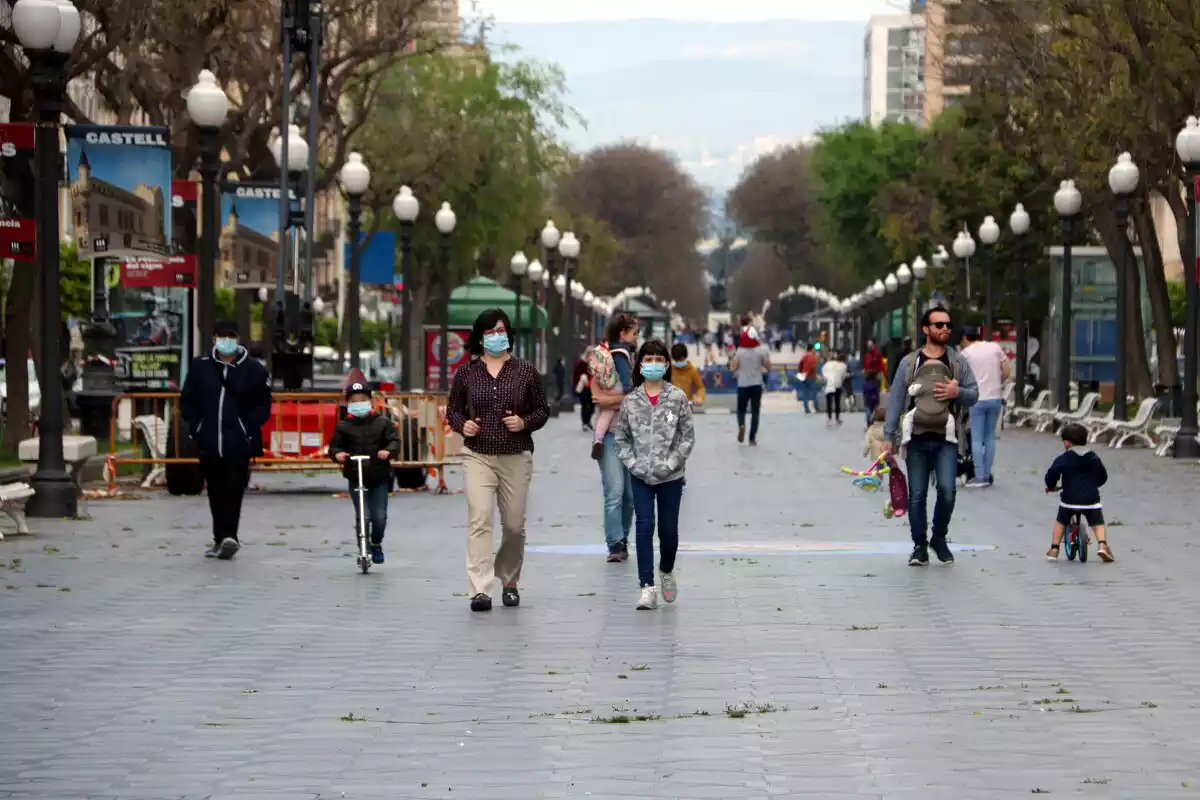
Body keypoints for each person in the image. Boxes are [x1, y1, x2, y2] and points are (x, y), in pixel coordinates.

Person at [446, 308, 550, 612]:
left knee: (514, 525)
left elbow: (542, 410)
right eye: (489, 332)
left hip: (515, 456)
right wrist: (461, 425)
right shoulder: (466, 373)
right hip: (477, 455)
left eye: (500, 330)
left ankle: (509, 579)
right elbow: (453, 410)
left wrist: (524, 422)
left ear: (509, 335)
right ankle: (479, 588)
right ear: (479, 338)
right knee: (480, 519)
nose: (495, 336)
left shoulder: (525, 371)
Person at [884, 307, 979, 567]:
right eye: (938, 325)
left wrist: (956, 391)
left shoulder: (958, 362)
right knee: (917, 495)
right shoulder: (909, 362)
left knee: (948, 491)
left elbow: (974, 394)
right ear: (926, 329)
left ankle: (938, 537)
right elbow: (895, 401)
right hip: (915, 438)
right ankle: (919, 547)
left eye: (948, 325)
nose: (944, 329)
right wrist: (888, 437)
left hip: (946, 439)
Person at [613, 339, 696, 610]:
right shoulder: (631, 401)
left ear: (667, 364)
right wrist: (633, 463)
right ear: (640, 364)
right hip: (641, 477)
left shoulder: (677, 398)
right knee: (645, 526)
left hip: (670, 477)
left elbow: (687, 436)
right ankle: (646, 587)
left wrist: (672, 463)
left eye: (659, 359)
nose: (654, 364)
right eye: (648, 359)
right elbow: (621, 439)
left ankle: (666, 570)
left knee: (668, 532)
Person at [180, 319, 272, 560]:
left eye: (231, 336)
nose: (226, 341)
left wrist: (246, 427)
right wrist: (196, 428)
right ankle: (219, 537)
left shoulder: (254, 370)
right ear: (213, 339)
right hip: (209, 440)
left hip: (239, 443)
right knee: (215, 491)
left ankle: (230, 536)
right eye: (222, 336)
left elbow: (263, 405)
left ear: (238, 340)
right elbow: (188, 400)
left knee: (234, 489)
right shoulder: (201, 367)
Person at [329, 381, 400, 564]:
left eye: (362, 399)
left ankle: (376, 543)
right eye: (354, 400)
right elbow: (334, 447)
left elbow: (393, 442)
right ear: (348, 403)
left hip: (379, 476)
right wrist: (338, 454)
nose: (358, 403)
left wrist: (387, 451)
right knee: (363, 514)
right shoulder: (343, 426)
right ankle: (363, 544)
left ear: (370, 401)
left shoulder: (382, 423)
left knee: (379, 517)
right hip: (356, 475)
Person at [594, 313, 639, 562]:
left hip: (629, 433)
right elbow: (631, 390)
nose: (636, 338)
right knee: (615, 490)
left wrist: (608, 400)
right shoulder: (619, 355)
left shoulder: (616, 355)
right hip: (614, 434)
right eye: (634, 333)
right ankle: (615, 543)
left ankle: (622, 537)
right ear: (622, 333)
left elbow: (604, 396)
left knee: (630, 495)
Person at [1045, 422, 1114, 562]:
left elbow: (1052, 474)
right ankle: (1102, 545)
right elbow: (1103, 476)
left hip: (1069, 499)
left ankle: (1054, 549)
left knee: (1061, 521)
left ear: (1067, 443)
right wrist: (1095, 484)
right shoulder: (1093, 457)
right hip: (1091, 499)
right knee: (1097, 522)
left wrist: (1051, 485)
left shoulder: (1063, 458)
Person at [961, 326, 1011, 488]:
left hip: (976, 399)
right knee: (989, 437)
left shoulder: (966, 354)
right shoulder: (994, 347)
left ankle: (980, 476)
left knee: (977, 438)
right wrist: (997, 382)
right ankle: (987, 473)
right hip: (995, 397)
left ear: (965, 339)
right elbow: (1007, 370)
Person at [730, 321, 771, 445]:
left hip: (742, 384)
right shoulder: (761, 350)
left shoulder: (740, 351)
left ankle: (742, 425)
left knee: (741, 409)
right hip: (756, 384)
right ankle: (752, 438)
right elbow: (768, 366)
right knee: (755, 411)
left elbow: (733, 367)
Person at [668, 342, 706, 407]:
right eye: (676, 360)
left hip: (687, 405)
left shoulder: (692, 370)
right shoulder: (669, 370)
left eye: (681, 359)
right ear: (673, 358)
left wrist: (700, 397)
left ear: (685, 357)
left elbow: (700, 387)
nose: (679, 362)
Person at [821, 351, 848, 426]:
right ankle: (837, 419)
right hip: (838, 385)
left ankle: (829, 419)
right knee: (837, 403)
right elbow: (843, 375)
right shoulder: (842, 365)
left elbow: (824, 376)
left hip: (829, 385)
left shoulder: (825, 365)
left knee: (829, 403)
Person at [862, 340, 884, 426]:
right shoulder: (867, 356)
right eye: (868, 346)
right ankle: (870, 421)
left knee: (874, 401)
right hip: (869, 380)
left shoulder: (877, 355)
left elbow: (881, 367)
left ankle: (873, 419)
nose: (869, 347)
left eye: (870, 345)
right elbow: (865, 367)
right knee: (869, 402)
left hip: (874, 380)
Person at [573, 354, 594, 432]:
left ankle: (588, 420)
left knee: (592, 406)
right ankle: (585, 423)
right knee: (584, 405)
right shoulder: (581, 364)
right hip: (584, 388)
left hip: (593, 388)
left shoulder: (596, 363)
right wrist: (576, 386)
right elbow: (575, 375)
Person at [796, 345, 819, 413]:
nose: (815, 351)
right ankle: (816, 407)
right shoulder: (812, 357)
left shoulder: (804, 356)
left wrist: (801, 373)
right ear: (811, 349)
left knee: (806, 392)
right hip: (810, 376)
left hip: (803, 376)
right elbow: (812, 367)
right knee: (814, 392)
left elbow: (800, 365)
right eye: (814, 349)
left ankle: (806, 408)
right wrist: (815, 375)